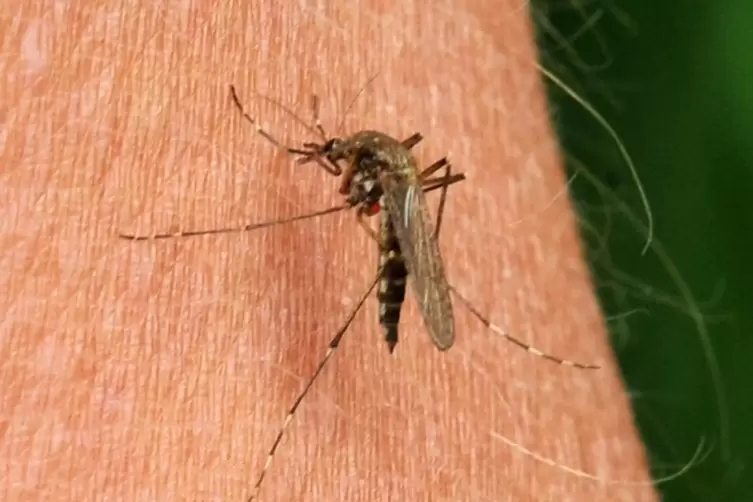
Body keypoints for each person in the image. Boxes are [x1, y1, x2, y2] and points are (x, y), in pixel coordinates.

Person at [1, 2, 656, 500]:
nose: (335, 161)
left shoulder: (378, 169)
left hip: (401, 227)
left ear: (358, 156)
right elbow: (375, 171)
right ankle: (436, 287)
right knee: (398, 201)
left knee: (372, 267)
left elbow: (378, 188)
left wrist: (397, 236)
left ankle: (433, 305)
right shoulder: (374, 155)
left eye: (338, 155)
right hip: (398, 199)